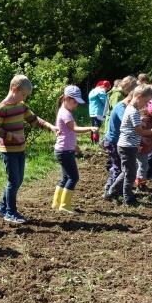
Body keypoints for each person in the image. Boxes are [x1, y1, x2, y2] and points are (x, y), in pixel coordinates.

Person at [0, 75, 57, 225]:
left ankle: (1, 207)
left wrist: (50, 127)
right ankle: (10, 212)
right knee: (14, 181)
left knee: (18, 180)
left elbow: (34, 119)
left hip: (20, 149)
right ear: (14, 89)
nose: (24, 98)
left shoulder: (21, 106)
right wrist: (12, 136)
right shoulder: (2, 108)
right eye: (23, 94)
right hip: (8, 150)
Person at [107, 85, 152, 206]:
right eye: (146, 101)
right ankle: (128, 198)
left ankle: (111, 191)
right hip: (127, 146)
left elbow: (134, 130)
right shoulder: (133, 112)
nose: (146, 105)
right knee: (131, 174)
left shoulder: (132, 109)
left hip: (128, 145)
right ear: (139, 97)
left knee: (126, 171)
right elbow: (140, 132)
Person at [51, 85, 98, 213]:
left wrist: (75, 147)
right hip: (64, 151)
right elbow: (74, 129)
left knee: (66, 177)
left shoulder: (65, 111)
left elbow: (71, 131)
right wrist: (91, 128)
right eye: (75, 101)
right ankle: (65, 206)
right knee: (73, 178)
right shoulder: (65, 113)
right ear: (66, 98)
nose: (76, 104)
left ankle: (57, 203)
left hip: (64, 150)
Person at [101, 77, 135, 186]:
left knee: (118, 165)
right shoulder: (118, 97)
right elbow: (122, 116)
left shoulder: (119, 95)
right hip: (114, 137)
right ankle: (110, 188)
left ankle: (112, 187)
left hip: (116, 136)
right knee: (117, 166)